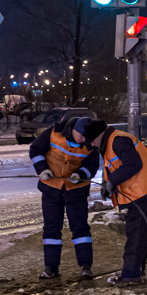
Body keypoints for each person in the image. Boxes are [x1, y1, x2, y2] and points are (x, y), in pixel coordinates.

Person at [89, 120, 147, 286]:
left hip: (142, 191)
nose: (91, 144)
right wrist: (108, 183)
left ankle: (131, 275)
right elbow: (117, 166)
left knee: (137, 233)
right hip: (141, 190)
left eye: (92, 140)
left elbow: (133, 164)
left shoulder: (117, 140)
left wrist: (112, 181)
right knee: (139, 233)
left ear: (99, 136)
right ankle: (136, 270)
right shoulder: (112, 141)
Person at [29, 116, 99, 279]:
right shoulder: (53, 133)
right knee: (51, 228)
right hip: (52, 188)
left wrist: (80, 175)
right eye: (81, 136)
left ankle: (85, 266)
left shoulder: (90, 142)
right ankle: (51, 268)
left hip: (77, 190)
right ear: (73, 130)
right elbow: (36, 150)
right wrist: (42, 169)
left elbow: (92, 166)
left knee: (80, 228)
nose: (84, 139)